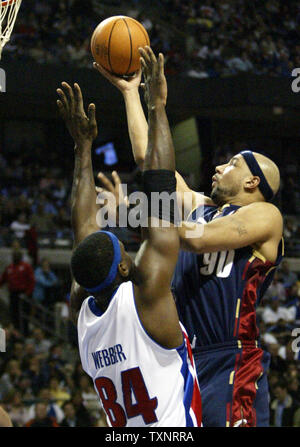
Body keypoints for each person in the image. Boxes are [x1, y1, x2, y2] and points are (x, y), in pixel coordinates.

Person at [95, 51, 284, 427]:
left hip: (231, 359)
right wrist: (138, 96)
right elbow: (153, 163)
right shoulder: (199, 206)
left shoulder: (265, 215)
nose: (218, 167)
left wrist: (133, 213)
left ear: (252, 182)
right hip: (184, 358)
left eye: (232, 164)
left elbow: (197, 240)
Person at [56, 46, 201, 427]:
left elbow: (84, 233)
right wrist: (157, 107)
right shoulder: (146, 298)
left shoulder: (85, 317)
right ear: (124, 265)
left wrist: (83, 149)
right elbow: (161, 188)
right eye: (124, 245)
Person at [0, 250, 35, 336]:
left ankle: (25, 333)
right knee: (14, 314)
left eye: (17, 255)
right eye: (14, 256)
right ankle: (16, 333)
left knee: (24, 314)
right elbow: (3, 279)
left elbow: (32, 281)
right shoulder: (9, 268)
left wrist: (28, 293)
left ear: (20, 257)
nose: (15, 257)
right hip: (13, 294)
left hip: (23, 294)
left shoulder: (26, 266)